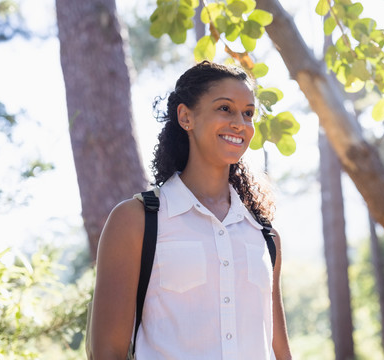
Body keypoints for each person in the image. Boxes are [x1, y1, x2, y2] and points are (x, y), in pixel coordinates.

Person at [90, 61, 292, 360]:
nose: (240, 123)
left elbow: (279, 351)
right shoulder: (135, 221)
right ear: (186, 117)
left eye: (248, 113)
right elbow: (107, 351)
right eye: (225, 108)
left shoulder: (264, 236)